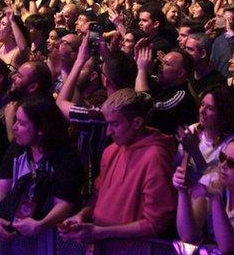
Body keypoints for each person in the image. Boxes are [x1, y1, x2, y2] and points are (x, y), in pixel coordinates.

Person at [59, 89, 177, 244]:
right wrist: (82, 215)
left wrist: (100, 233)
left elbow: (156, 224)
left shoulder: (156, 158)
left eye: (114, 124)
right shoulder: (111, 150)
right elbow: (97, 196)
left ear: (137, 123)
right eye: (107, 123)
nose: (108, 132)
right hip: (104, 246)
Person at [0, 96, 84, 244]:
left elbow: (64, 203)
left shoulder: (66, 158)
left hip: (50, 240)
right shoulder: (16, 148)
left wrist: (42, 224)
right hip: (11, 234)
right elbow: (1, 188)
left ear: (41, 129)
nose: (14, 127)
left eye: (22, 123)